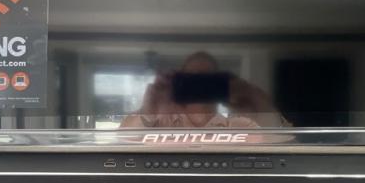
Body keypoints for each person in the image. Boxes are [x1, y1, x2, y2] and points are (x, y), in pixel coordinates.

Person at [120, 51, 288, 128]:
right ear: (178, 83)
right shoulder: (159, 125)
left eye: (207, 79)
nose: (200, 85)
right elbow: (124, 145)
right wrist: (148, 108)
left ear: (221, 83)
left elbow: (281, 140)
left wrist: (251, 92)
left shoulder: (238, 126)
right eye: (192, 78)